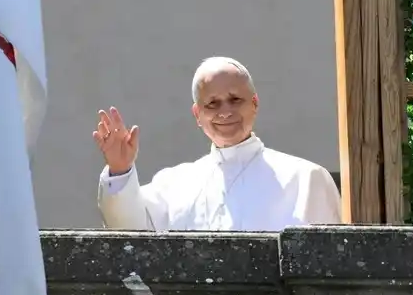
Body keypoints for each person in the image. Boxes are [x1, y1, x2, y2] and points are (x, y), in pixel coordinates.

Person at [94, 56, 341, 231]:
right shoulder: (174, 184)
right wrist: (120, 170)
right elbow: (129, 233)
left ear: (255, 103)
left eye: (235, 99)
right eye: (212, 103)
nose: (225, 112)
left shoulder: (306, 179)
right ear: (197, 114)